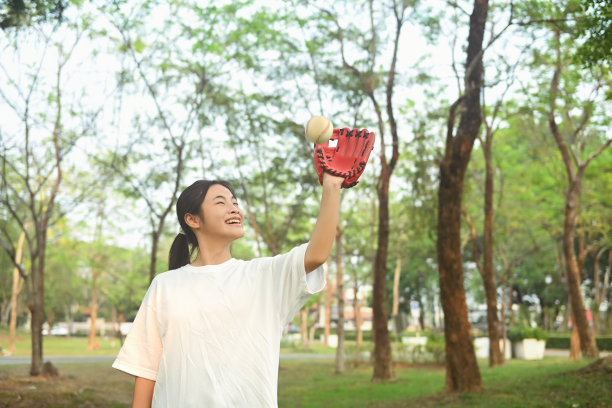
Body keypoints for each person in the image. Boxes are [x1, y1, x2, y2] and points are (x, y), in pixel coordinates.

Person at [112, 128, 374, 407]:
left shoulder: (263, 277)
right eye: (221, 202)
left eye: (235, 203)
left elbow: (317, 253)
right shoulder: (165, 286)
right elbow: (146, 372)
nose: (234, 208)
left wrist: (332, 187)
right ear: (193, 219)